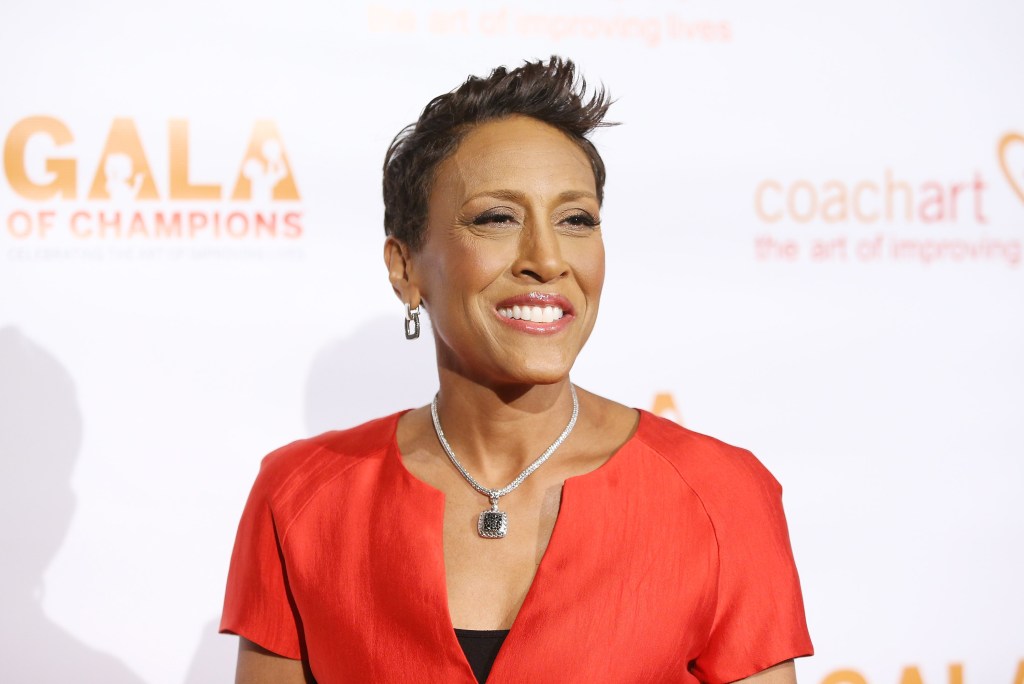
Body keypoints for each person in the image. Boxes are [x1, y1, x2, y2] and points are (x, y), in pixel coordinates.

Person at [221, 57, 813, 683]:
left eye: (576, 220)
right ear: (405, 268)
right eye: (497, 218)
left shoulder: (720, 496)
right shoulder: (302, 496)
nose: (547, 259)